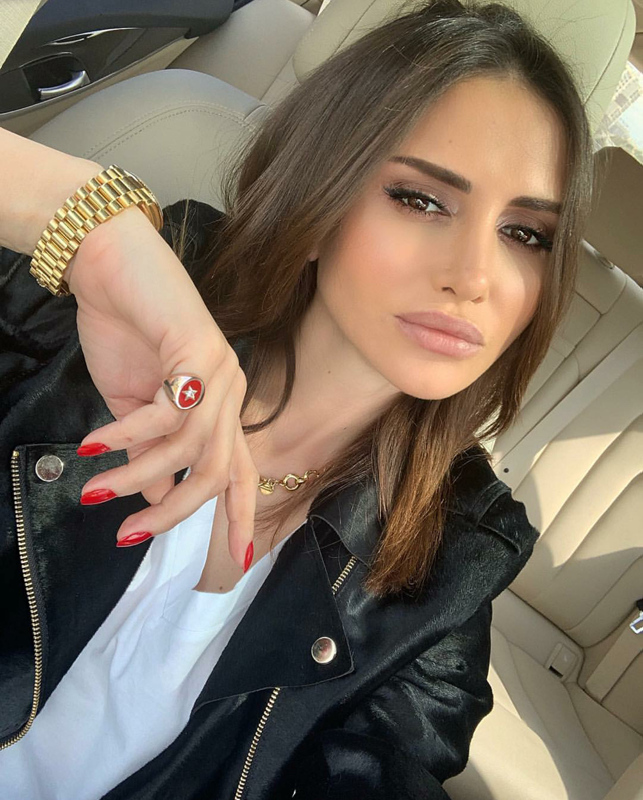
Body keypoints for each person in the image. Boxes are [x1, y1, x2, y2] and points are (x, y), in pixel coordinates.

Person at [0, 0, 593, 797]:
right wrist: (96, 232)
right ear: (320, 199)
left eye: (525, 234)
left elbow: (384, 762)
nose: (474, 277)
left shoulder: (451, 563)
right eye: (421, 199)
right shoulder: (115, 300)